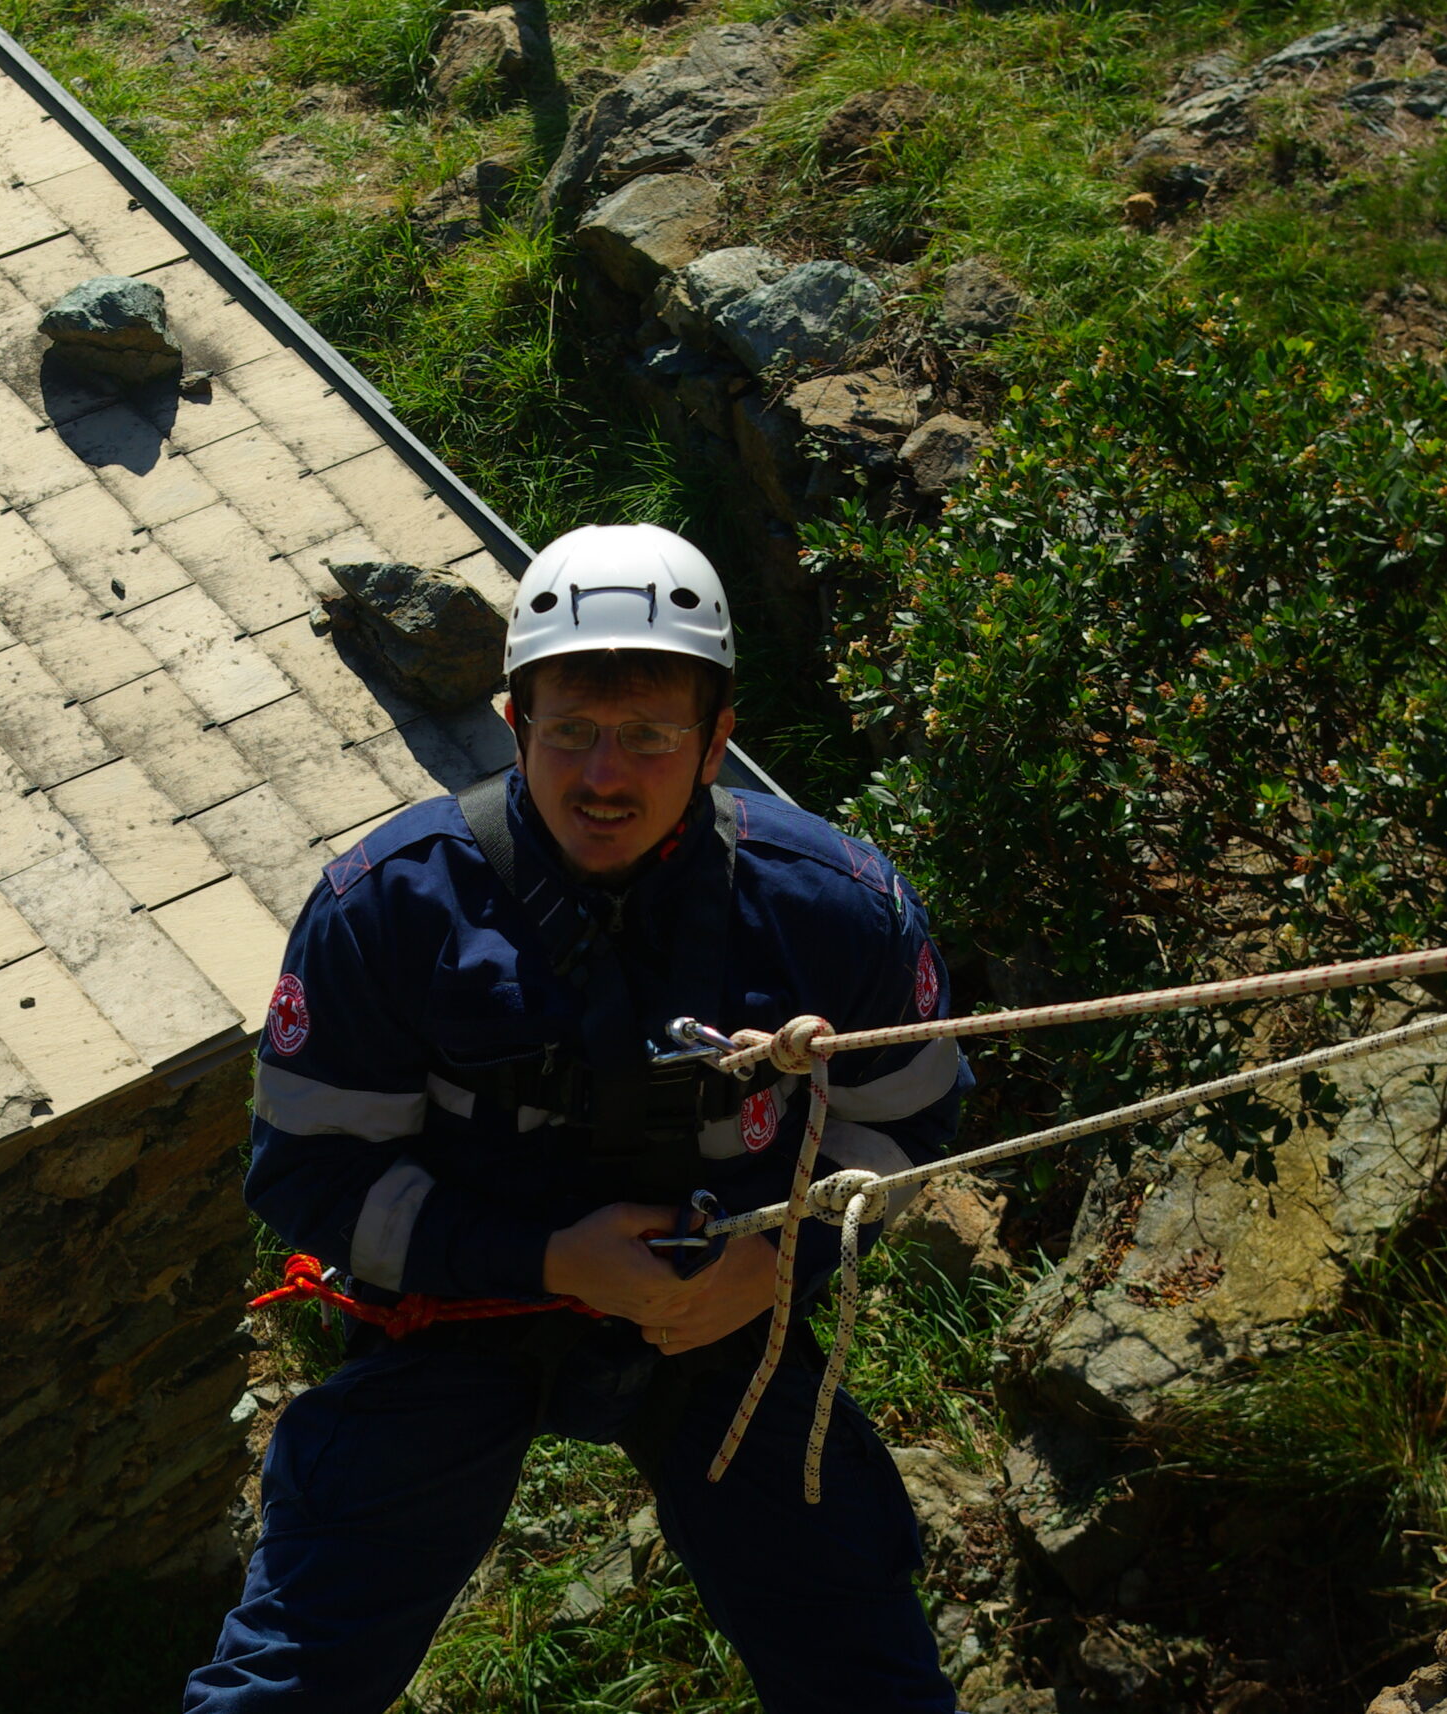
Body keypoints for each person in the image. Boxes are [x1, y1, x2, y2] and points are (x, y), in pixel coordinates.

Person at [185, 524, 971, 1713]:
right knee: (287, 1682)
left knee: (866, 1668)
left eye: (651, 735)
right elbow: (308, 1177)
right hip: (460, 1311)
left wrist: (776, 1260)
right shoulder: (390, 913)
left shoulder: (836, 913)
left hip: (716, 1310)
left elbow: (906, 1131)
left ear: (717, 740)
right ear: (515, 727)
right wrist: (545, 1259)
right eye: (570, 732)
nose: (603, 775)